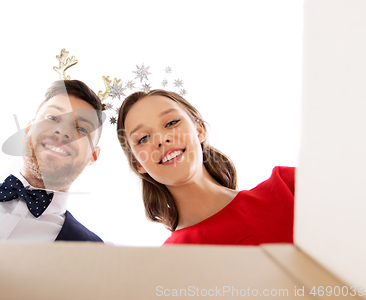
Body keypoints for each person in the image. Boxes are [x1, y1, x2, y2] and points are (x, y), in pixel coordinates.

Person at [116, 89, 294, 245]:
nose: (161, 140)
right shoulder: (168, 263)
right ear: (139, 163)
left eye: (171, 123)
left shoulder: (289, 187)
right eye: (143, 139)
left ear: (199, 130)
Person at [0, 80, 104, 242]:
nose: (62, 131)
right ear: (28, 129)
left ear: (93, 156)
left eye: (82, 129)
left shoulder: (96, 253)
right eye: (52, 118)